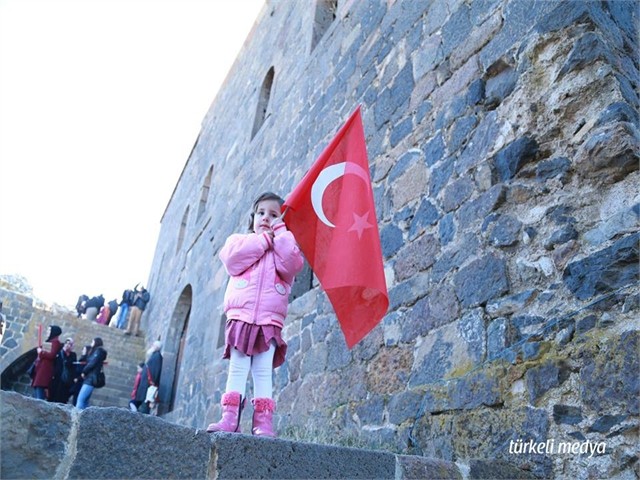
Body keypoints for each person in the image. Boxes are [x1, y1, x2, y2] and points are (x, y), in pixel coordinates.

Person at [206, 192, 303, 437]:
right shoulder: (240, 241)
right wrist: (262, 242)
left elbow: (292, 265)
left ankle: (263, 422)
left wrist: (280, 234)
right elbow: (232, 260)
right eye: (261, 213)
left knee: (262, 369)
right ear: (253, 217)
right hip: (241, 316)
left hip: (269, 321)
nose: (266, 218)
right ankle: (230, 418)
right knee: (238, 366)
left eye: (273, 215)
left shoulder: (284, 248)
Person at [31, 325, 63, 400]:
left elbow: (51, 355)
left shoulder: (55, 342)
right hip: (41, 370)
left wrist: (41, 352)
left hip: (44, 371)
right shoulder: (50, 342)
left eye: (49, 330)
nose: (47, 332)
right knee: (37, 391)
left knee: (39, 394)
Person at [76, 337, 107, 410]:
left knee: (80, 400)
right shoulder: (95, 352)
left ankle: (77, 416)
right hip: (89, 378)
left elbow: (92, 363)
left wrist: (84, 371)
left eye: (92, 342)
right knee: (85, 401)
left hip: (91, 378)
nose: (91, 344)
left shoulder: (99, 351)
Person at [135, 341, 163, 414]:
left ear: (157, 347)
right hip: (146, 385)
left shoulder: (157, 356)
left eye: (153, 345)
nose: (152, 346)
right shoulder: (154, 355)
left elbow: (155, 372)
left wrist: (152, 383)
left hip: (148, 386)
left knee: (144, 408)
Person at [50, 338, 77, 404]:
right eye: (66, 343)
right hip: (57, 377)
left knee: (62, 397)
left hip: (66, 379)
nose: (67, 345)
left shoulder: (73, 355)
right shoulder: (59, 352)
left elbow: (71, 365)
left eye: (69, 344)